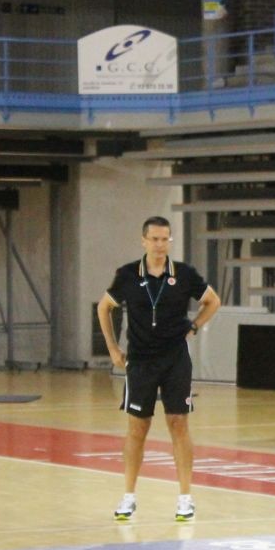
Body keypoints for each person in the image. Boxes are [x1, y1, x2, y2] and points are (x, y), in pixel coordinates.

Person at [97, 216, 221, 523]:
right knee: (137, 427)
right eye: (154, 239)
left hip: (175, 358)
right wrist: (113, 348)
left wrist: (193, 327)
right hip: (140, 361)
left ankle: (185, 498)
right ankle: (128, 496)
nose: (160, 244)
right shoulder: (127, 275)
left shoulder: (184, 274)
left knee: (179, 423)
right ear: (144, 241)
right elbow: (104, 307)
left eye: (165, 239)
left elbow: (213, 301)